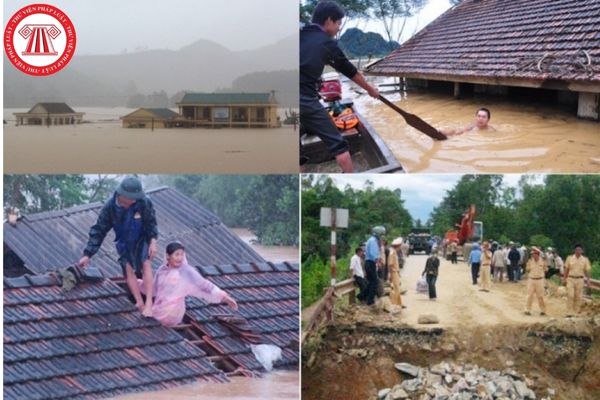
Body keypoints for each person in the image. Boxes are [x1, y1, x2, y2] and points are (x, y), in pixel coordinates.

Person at [300, 0, 380, 172]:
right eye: (338, 23)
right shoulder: (326, 43)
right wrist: (371, 89)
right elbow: (350, 71)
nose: (338, 28)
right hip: (304, 100)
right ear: (329, 20)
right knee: (339, 144)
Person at [79, 177, 157, 317]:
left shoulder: (143, 202)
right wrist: (87, 254)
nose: (133, 201)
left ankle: (149, 303)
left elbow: (151, 222)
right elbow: (99, 230)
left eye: (135, 199)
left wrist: (153, 240)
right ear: (121, 195)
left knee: (146, 262)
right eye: (130, 199)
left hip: (141, 238)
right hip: (124, 241)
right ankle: (139, 301)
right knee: (127, 267)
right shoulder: (110, 207)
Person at [139, 242, 237, 327]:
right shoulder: (162, 270)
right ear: (168, 256)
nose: (180, 258)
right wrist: (137, 284)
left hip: (173, 312)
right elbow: (153, 289)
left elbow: (205, 285)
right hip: (159, 307)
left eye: (182, 255)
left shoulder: (186, 271)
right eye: (176, 255)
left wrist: (225, 297)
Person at [563, 244, 592, 317]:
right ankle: (569, 312)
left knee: (578, 296)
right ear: (574, 250)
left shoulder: (585, 260)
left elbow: (587, 270)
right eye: (577, 250)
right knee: (570, 295)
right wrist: (564, 278)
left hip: (580, 279)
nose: (578, 251)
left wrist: (588, 280)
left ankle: (576, 312)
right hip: (571, 279)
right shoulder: (569, 258)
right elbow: (566, 269)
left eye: (580, 250)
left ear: (582, 251)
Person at [524, 247, 548, 316]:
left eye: (533, 254)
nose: (532, 255)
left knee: (540, 296)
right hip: (531, 279)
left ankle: (543, 310)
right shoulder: (530, 261)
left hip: (540, 280)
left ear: (537, 254)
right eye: (532, 254)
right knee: (529, 295)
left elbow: (546, 270)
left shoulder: (543, 261)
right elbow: (527, 270)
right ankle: (527, 310)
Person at [365, 226, 385, 305]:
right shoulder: (373, 241)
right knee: (374, 282)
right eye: (381, 234)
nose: (382, 236)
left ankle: (361, 296)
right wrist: (378, 262)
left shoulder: (372, 240)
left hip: (369, 263)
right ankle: (370, 301)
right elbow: (373, 254)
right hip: (370, 263)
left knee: (371, 282)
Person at [388, 238, 404, 307]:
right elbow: (390, 263)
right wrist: (392, 272)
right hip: (393, 272)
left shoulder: (393, 251)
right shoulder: (392, 252)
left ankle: (398, 303)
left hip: (395, 271)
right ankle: (395, 303)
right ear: (398, 245)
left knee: (397, 288)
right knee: (395, 288)